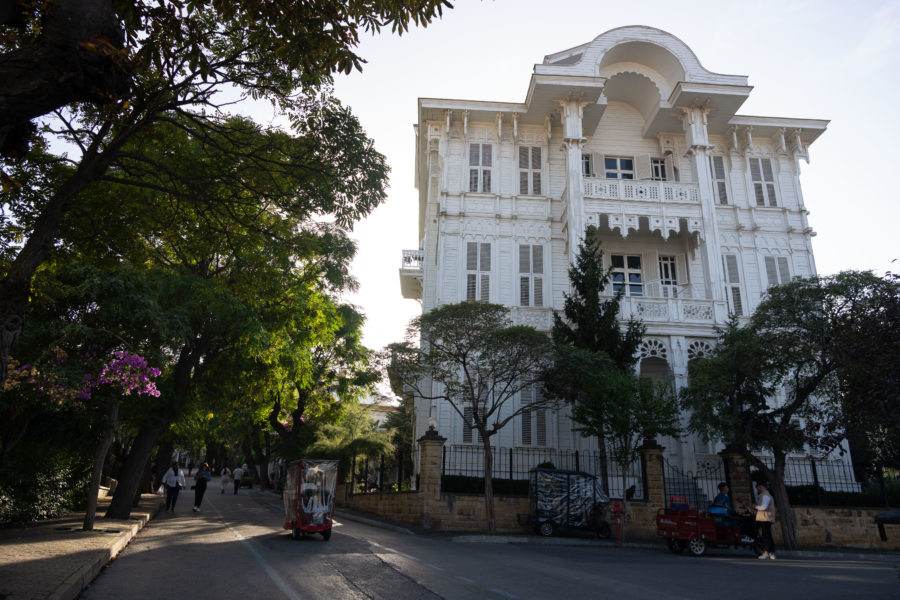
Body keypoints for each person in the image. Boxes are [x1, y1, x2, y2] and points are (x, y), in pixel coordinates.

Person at [753, 483, 777, 560]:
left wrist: (755, 506)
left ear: (761, 487)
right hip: (766, 517)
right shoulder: (767, 495)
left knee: (765, 536)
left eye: (757, 488)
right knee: (768, 535)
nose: (757, 490)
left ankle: (766, 552)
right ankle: (771, 553)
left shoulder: (765, 495)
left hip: (765, 518)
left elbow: (763, 507)